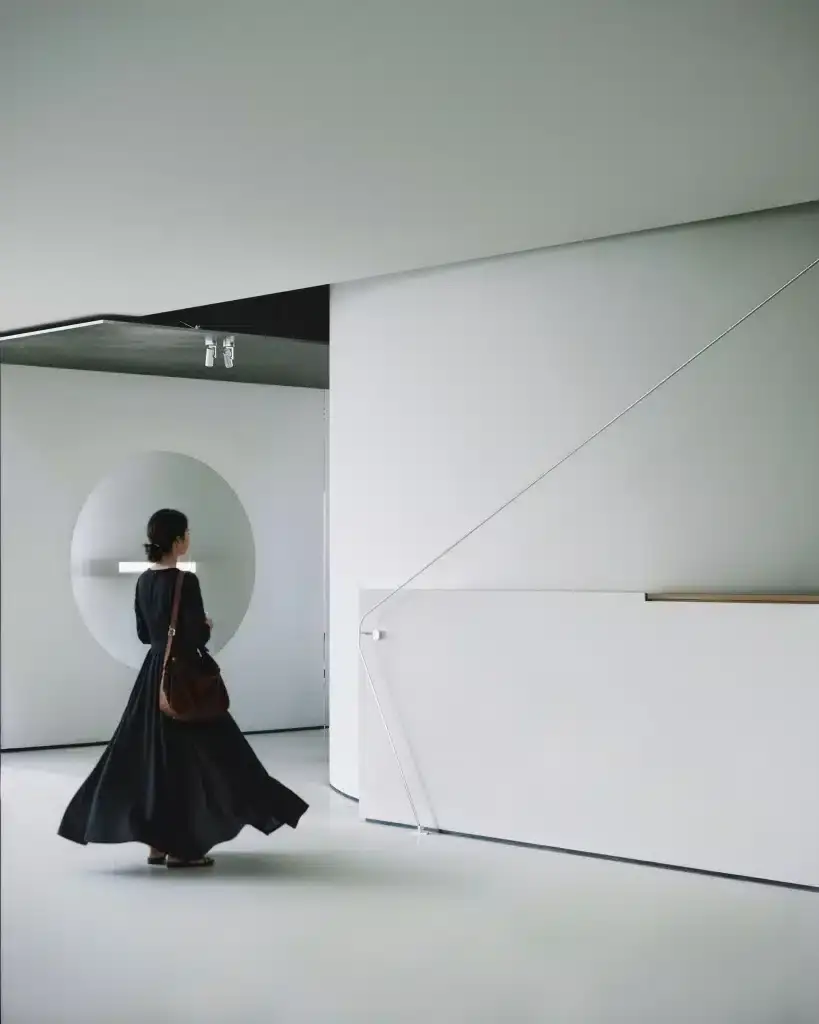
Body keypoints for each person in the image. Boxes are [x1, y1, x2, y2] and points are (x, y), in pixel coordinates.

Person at [59, 508, 308, 868]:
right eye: (187, 534)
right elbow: (195, 634)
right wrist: (205, 625)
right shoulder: (184, 581)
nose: (190, 539)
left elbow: (145, 635)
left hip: (153, 678)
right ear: (177, 541)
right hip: (183, 677)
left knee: (154, 761)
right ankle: (181, 849)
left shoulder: (143, 581)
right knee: (214, 759)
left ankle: (157, 845)